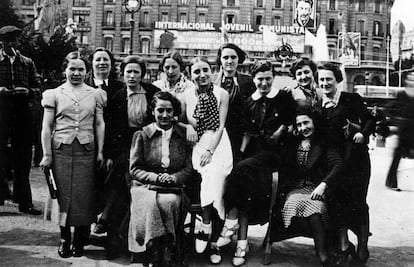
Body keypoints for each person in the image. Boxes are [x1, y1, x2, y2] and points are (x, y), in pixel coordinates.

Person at [221, 61, 296, 266]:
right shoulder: (249, 102)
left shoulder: (283, 97)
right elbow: (246, 132)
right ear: (253, 80)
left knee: (241, 170)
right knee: (239, 171)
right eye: (260, 79)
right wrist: (241, 154)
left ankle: (231, 221)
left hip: (276, 153)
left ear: (273, 77)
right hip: (255, 155)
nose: (264, 83)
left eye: (268, 78)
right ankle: (240, 240)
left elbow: (290, 122)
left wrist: (280, 131)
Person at [39, 51, 106, 258]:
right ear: (65, 70)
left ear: (87, 72)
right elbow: (47, 126)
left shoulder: (96, 94)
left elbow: (99, 123)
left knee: (83, 196)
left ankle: (79, 240)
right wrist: (47, 154)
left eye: (80, 69)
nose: (76, 73)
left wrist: (101, 151)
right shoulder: (54, 93)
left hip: (87, 151)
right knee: (62, 195)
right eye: (72, 69)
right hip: (61, 151)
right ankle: (64, 238)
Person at [316, 62, 375, 265]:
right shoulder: (319, 106)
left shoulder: (351, 99)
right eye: (321, 79)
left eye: (328, 79)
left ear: (338, 80)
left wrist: (362, 133)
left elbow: (370, 120)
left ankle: (363, 246)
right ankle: (343, 245)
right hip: (335, 164)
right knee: (336, 204)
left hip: (357, 161)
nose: (324, 83)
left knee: (358, 204)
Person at [104, 55, 160, 259]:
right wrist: (110, 154)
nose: (132, 75)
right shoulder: (118, 96)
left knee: (133, 184)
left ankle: (109, 222)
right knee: (118, 181)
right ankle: (113, 238)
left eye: (136, 72)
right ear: (122, 73)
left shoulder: (153, 92)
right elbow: (110, 129)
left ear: (142, 74)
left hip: (147, 144)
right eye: (128, 71)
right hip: (123, 146)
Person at [128, 91, 193, 266]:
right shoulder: (142, 135)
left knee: (169, 201)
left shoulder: (182, 135)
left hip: (174, 187)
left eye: (169, 111)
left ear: (175, 113)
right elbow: (134, 169)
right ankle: (154, 250)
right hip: (145, 186)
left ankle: (167, 248)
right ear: (153, 111)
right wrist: (155, 178)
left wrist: (173, 178)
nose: (164, 115)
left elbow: (188, 168)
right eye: (160, 110)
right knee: (150, 203)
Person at [180, 57, 232, 264]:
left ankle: (207, 225)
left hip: (218, 144)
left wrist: (211, 150)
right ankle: (214, 240)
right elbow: (177, 120)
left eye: (205, 70)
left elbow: (220, 126)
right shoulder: (185, 96)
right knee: (209, 176)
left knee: (215, 175)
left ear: (212, 72)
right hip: (197, 144)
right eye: (196, 72)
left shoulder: (222, 94)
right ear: (190, 74)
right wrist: (189, 127)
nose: (201, 75)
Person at [279, 108, 343, 267]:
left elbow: (338, 164)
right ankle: (323, 253)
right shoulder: (293, 143)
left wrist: (324, 184)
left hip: (316, 188)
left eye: (306, 122)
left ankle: (322, 254)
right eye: (299, 125)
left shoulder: (323, 142)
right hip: (295, 190)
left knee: (316, 209)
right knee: (305, 205)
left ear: (314, 122)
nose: (303, 128)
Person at [0, 25, 41, 214]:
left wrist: (28, 92)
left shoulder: (27, 63)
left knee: (23, 159)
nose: (11, 44)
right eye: (7, 40)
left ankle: (25, 202)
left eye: (14, 40)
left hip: (22, 112)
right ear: (1, 42)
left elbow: (37, 88)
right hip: (1, 111)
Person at [85, 47, 124, 236]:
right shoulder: (82, 84)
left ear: (111, 65)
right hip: (85, 144)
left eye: (106, 60)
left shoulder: (119, 88)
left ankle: (106, 225)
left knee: (112, 182)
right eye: (98, 59)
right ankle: (85, 227)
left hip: (111, 147)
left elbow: (119, 125)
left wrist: (110, 154)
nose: (102, 63)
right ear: (91, 63)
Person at [213, 43, 256, 161]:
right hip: (216, 136)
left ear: (238, 59)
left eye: (233, 57)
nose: (230, 61)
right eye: (225, 57)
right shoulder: (211, 81)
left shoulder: (248, 81)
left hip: (239, 137)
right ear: (220, 60)